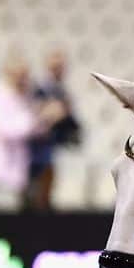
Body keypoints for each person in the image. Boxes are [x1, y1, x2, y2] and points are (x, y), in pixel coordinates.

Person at [0, 55, 66, 207]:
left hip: (16, 174)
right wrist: (41, 117)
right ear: (9, 74)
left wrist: (49, 119)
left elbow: (35, 129)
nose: (23, 80)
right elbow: (9, 130)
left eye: (25, 76)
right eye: (20, 76)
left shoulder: (25, 97)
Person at [28, 50, 81, 211]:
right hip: (37, 151)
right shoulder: (39, 90)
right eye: (55, 67)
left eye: (61, 67)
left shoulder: (62, 92)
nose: (59, 71)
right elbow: (40, 117)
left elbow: (70, 120)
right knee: (36, 193)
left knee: (47, 191)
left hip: (53, 149)